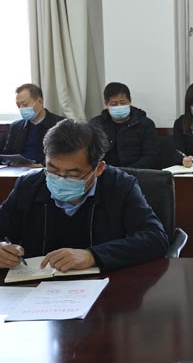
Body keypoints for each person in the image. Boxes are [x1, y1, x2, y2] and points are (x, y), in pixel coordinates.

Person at [0, 119, 169, 271]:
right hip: (37, 287)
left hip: (106, 285)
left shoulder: (120, 186)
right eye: (52, 169)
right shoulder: (29, 186)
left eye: (73, 174)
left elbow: (155, 238)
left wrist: (93, 256)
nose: (61, 178)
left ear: (99, 169)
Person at [89, 82, 159, 169]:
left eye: (123, 103)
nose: (119, 106)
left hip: (138, 173)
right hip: (106, 173)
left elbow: (151, 156)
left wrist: (127, 172)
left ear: (130, 101)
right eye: (113, 104)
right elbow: (91, 155)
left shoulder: (145, 124)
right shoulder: (96, 125)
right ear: (106, 104)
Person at [2, 83, 64, 166]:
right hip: (19, 170)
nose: (21, 109)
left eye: (25, 104)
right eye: (18, 105)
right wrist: (11, 162)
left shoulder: (60, 125)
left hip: (46, 170)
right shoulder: (16, 127)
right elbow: (7, 156)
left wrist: (42, 166)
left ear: (39, 102)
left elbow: (65, 156)